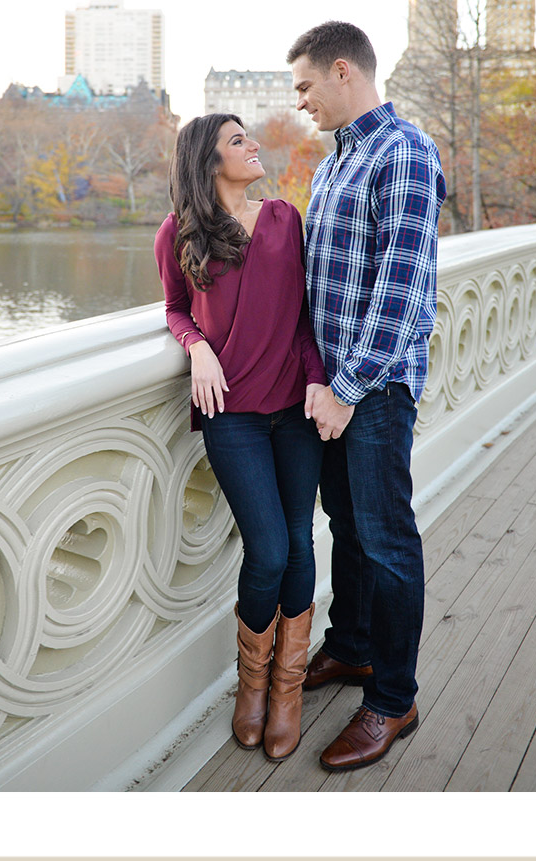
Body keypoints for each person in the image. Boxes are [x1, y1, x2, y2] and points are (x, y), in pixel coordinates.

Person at [286, 20, 445, 771]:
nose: (300, 102)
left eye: (305, 86)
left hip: (373, 389)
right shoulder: (333, 163)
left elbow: (403, 289)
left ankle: (392, 697)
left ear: (343, 70)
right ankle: (350, 646)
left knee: (386, 540)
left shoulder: (404, 151)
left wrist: (346, 388)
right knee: (346, 526)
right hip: (331, 389)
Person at [154, 114, 326, 761]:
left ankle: (287, 690)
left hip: (296, 407)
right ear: (208, 160)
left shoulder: (284, 218)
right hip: (231, 414)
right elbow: (175, 307)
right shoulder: (179, 232)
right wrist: (195, 346)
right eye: (237, 140)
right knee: (269, 549)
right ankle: (251, 683)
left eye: (249, 136)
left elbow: (305, 317)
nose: (253, 144)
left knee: (299, 544)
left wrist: (318, 381)